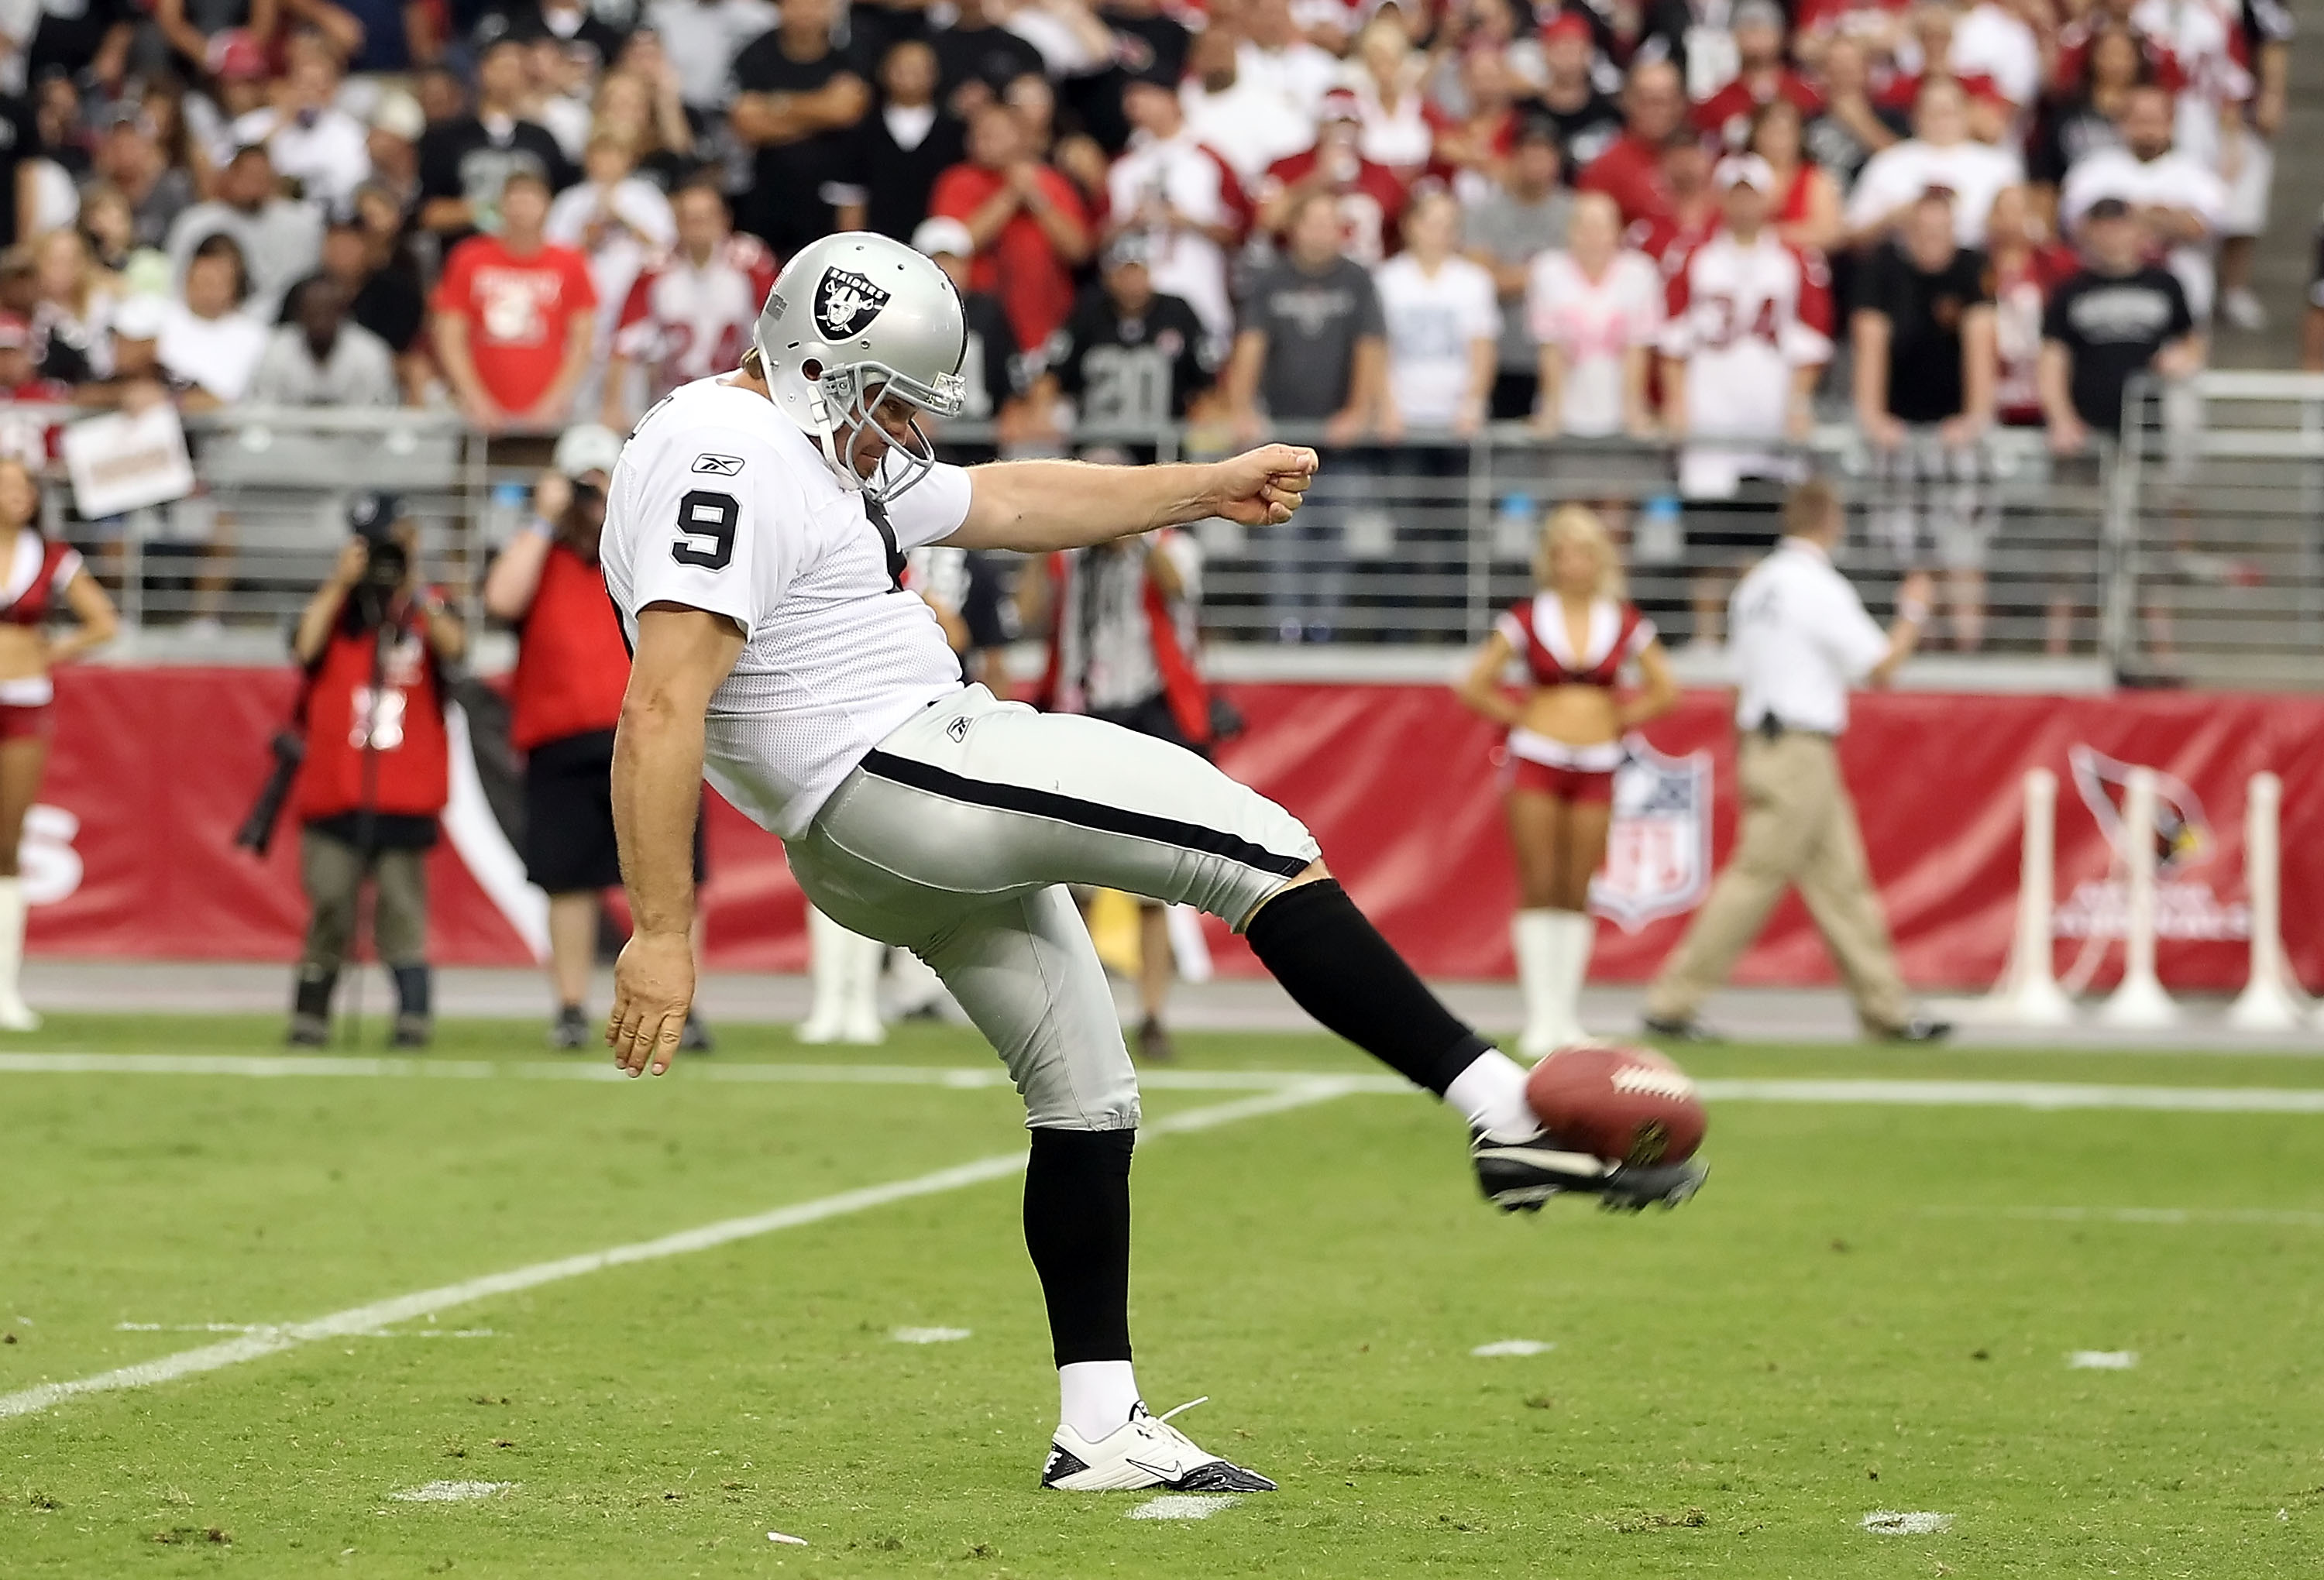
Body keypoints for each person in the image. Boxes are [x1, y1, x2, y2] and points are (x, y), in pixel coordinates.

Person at [598, 231, 1704, 1492]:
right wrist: (664, 928)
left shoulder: (798, 441)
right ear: (815, 364)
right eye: (889, 400)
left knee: (1087, 1096)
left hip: (865, 826)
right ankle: (1498, 1106)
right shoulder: (728, 454)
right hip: (898, 768)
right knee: (1258, 847)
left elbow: (1006, 501)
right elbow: (660, 702)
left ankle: (1101, 1425)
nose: (904, 429)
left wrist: (1202, 485)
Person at [1642, 479, 1948, 1043]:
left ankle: (1887, 1009)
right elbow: (1881, 668)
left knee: (1842, 882)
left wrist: (1745, 752)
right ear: (1831, 520)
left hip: (1770, 741)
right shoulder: (1816, 586)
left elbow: (1740, 680)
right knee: (1757, 877)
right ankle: (1673, 1001)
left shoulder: (1754, 587)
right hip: (1800, 747)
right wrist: (1914, 612)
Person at [483, 426, 715, 1052]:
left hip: (648, 732)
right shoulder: (542, 551)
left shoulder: (642, 544)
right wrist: (544, 520)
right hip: (560, 736)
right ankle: (568, 1006)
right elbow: (501, 598)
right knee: (568, 882)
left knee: (676, 872)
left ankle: (682, 1005)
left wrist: (623, 509)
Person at [1454, 506, 1676, 1053]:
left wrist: (1618, 717)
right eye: (1562, 552)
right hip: (1537, 758)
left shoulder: (1621, 620)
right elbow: (1475, 682)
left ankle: (1567, 1015)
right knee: (1540, 882)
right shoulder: (1528, 618)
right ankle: (1540, 1014)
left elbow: (1667, 688)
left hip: (1599, 762)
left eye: (1582, 551)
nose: (1573, 563)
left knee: (1577, 887)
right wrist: (1522, 716)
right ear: (1549, 560)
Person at [1018, 520, 1216, 1065]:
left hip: (1148, 715)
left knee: (1152, 884)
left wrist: (1137, 528)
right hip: (1079, 713)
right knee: (1070, 881)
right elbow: (1028, 611)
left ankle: (1152, 1014)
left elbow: (1179, 590)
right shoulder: (1069, 554)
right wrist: (1045, 541)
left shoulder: (1169, 546)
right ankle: (1073, 1015)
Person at [287, 494, 467, 1049]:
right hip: (336, 786)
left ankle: (413, 1016)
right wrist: (340, 583)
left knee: (402, 909)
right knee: (330, 904)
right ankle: (311, 1014)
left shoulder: (425, 606)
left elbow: (456, 648)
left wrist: (413, 588)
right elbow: (303, 647)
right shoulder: (338, 610)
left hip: (404, 788)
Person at [1661, 154, 1834, 644]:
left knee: (1762, 537)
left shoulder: (1793, 260)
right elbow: (1673, 338)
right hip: (1711, 412)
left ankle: (1758, 638)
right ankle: (1708, 635)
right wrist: (1676, 403)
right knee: (1708, 540)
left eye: (1751, 193)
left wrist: (1799, 403)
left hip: (1769, 418)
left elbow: (1811, 341)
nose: (1743, 204)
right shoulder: (1695, 255)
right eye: (1734, 193)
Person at [1223, 191, 1389, 641]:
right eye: (1312, 222)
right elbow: (1250, 346)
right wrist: (1242, 410)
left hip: (1341, 444)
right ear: (1294, 229)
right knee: (1279, 530)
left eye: (1329, 222)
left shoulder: (1357, 280)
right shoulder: (1270, 280)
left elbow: (1370, 347)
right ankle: (1286, 628)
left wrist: (1358, 411)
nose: (1320, 232)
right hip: (1280, 437)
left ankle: (1324, 628)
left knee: (1337, 531)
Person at [1851, 187, 1996, 649]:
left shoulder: (1972, 268)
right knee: (1910, 550)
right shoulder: (1883, 272)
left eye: (1942, 230)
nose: (1933, 240)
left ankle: (1968, 647)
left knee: (1963, 547)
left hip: (1953, 427)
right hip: (1901, 427)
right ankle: (1922, 646)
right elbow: (1870, 340)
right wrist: (1874, 417)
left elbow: (1981, 340)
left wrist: (1974, 418)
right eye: (1923, 230)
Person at [0, 458, 115, 1030]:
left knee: (7, 839)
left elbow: (103, 622)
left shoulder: (50, 557)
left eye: (22, 486)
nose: (14, 495)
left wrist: (49, 654)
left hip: (22, 699)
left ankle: (4, 986)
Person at [431, 167, 599, 433]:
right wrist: (475, 398)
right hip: (479, 413)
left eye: (531, 199)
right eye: (515, 199)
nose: (522, 209)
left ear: (547, 206)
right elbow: (450, 335)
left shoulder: (570, 263)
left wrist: (554, 402)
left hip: (548, 414)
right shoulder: (469, 258)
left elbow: (583, 340)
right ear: (501, 206)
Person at [602, 180, 777, 428]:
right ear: (676, 223)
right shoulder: (655, 269)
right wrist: (612, 405)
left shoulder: (751, 262)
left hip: (739, 401)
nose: (699, 227)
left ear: (724, 219)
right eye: (690, 219)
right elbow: (625, 343)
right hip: (672, 402)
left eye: (706, 217)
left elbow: (778, 335)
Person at [2039, 196, 2202, 456]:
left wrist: (2182, 358)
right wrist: (2061, 418)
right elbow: (2053, 357)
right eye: (2103, 228)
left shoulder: (2164, 285)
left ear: (2138, 231)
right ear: (2088, 233)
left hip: (2152, 418)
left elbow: (2191, 339)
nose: (2112, 236)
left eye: (2120, 227)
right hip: (2088, 422)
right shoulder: (2070, 291)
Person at [928, 100, 1092, 357]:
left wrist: (1037, 200)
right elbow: (955, 245)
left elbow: (1079, 251)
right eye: (978, 132)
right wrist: (1010, 196)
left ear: (1024, 137)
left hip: (1045, 323)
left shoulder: (1052, 182)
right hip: (976, 325)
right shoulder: (957, 181)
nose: (982, 139)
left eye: (994, 133)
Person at [2056, 83, 2226, 322]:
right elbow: (2080, 227)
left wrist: (2123, 215)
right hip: (2104, 301)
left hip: (2182, 296)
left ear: (2171, 123)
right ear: (2121, 122)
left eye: (2155, 120)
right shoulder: (2093, 170)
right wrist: (2164, 216)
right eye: (2140, 120)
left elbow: (2198, 228)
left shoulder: (2196, 174)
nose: (2148, 129)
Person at [1031, 235, 1214, 437]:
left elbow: (1209, 383)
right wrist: (1040, 412)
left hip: (1164, 447)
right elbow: (1051, 375)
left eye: (1138, 271)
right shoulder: (1088, 313)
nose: (1131, 282)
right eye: (1124, 273)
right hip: (1101, 445)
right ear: (1109, 277)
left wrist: (1208, 413)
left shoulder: (1178, 312)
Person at [727, 0, 871, 256]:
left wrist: (776, 104)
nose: (805, 11)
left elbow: (847, 110)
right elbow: (746, 124)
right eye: (796, 4)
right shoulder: (755, 54)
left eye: (815, 4)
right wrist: (822, 111)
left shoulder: (849, 53)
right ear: (780, 8)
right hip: (767, 195)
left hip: (830, 198)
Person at [1464, 115, 1575, 421]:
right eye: (1528, 152)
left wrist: (1514, 274)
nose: (1536, 161)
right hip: (1502, 356)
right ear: (1514, 157)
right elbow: (1480, 283)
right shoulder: (1484, 214)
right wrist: (1548, 272)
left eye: (1544, 153)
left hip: (1564, 356)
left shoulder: (1574, 213)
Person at [1528, 191, 1662, 439]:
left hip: (1617, 412)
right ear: (1570, 231)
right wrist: (1553, 410)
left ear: (1618, 231)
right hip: (1567, 411)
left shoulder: (1640, 273)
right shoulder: (1548, 271)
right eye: (1584, 227)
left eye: (1601, 227)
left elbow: (1637, 348)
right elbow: (1550, 347)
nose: (1592, 236)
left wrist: (1632, 409)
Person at [1843, 77, 2021, 248]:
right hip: (1901, 265)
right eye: (1932, 111)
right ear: (1916, 115)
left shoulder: (1999, 165)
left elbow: (2023, 227)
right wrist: (1892, 219)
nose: (1941, 121)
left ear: (1966, 113)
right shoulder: (1889, 162)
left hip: (1977, 264)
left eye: (1947, 111)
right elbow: (1852, 234)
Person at [248, 274, 401, 407]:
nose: (320, 321)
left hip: (353, 440)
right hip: (289, 440)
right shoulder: (277, 350)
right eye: (313, 313)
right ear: (298, 314)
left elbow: (381, 418)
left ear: (343, 314)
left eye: (328, 312)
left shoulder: (370, 354)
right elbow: (262, 413)